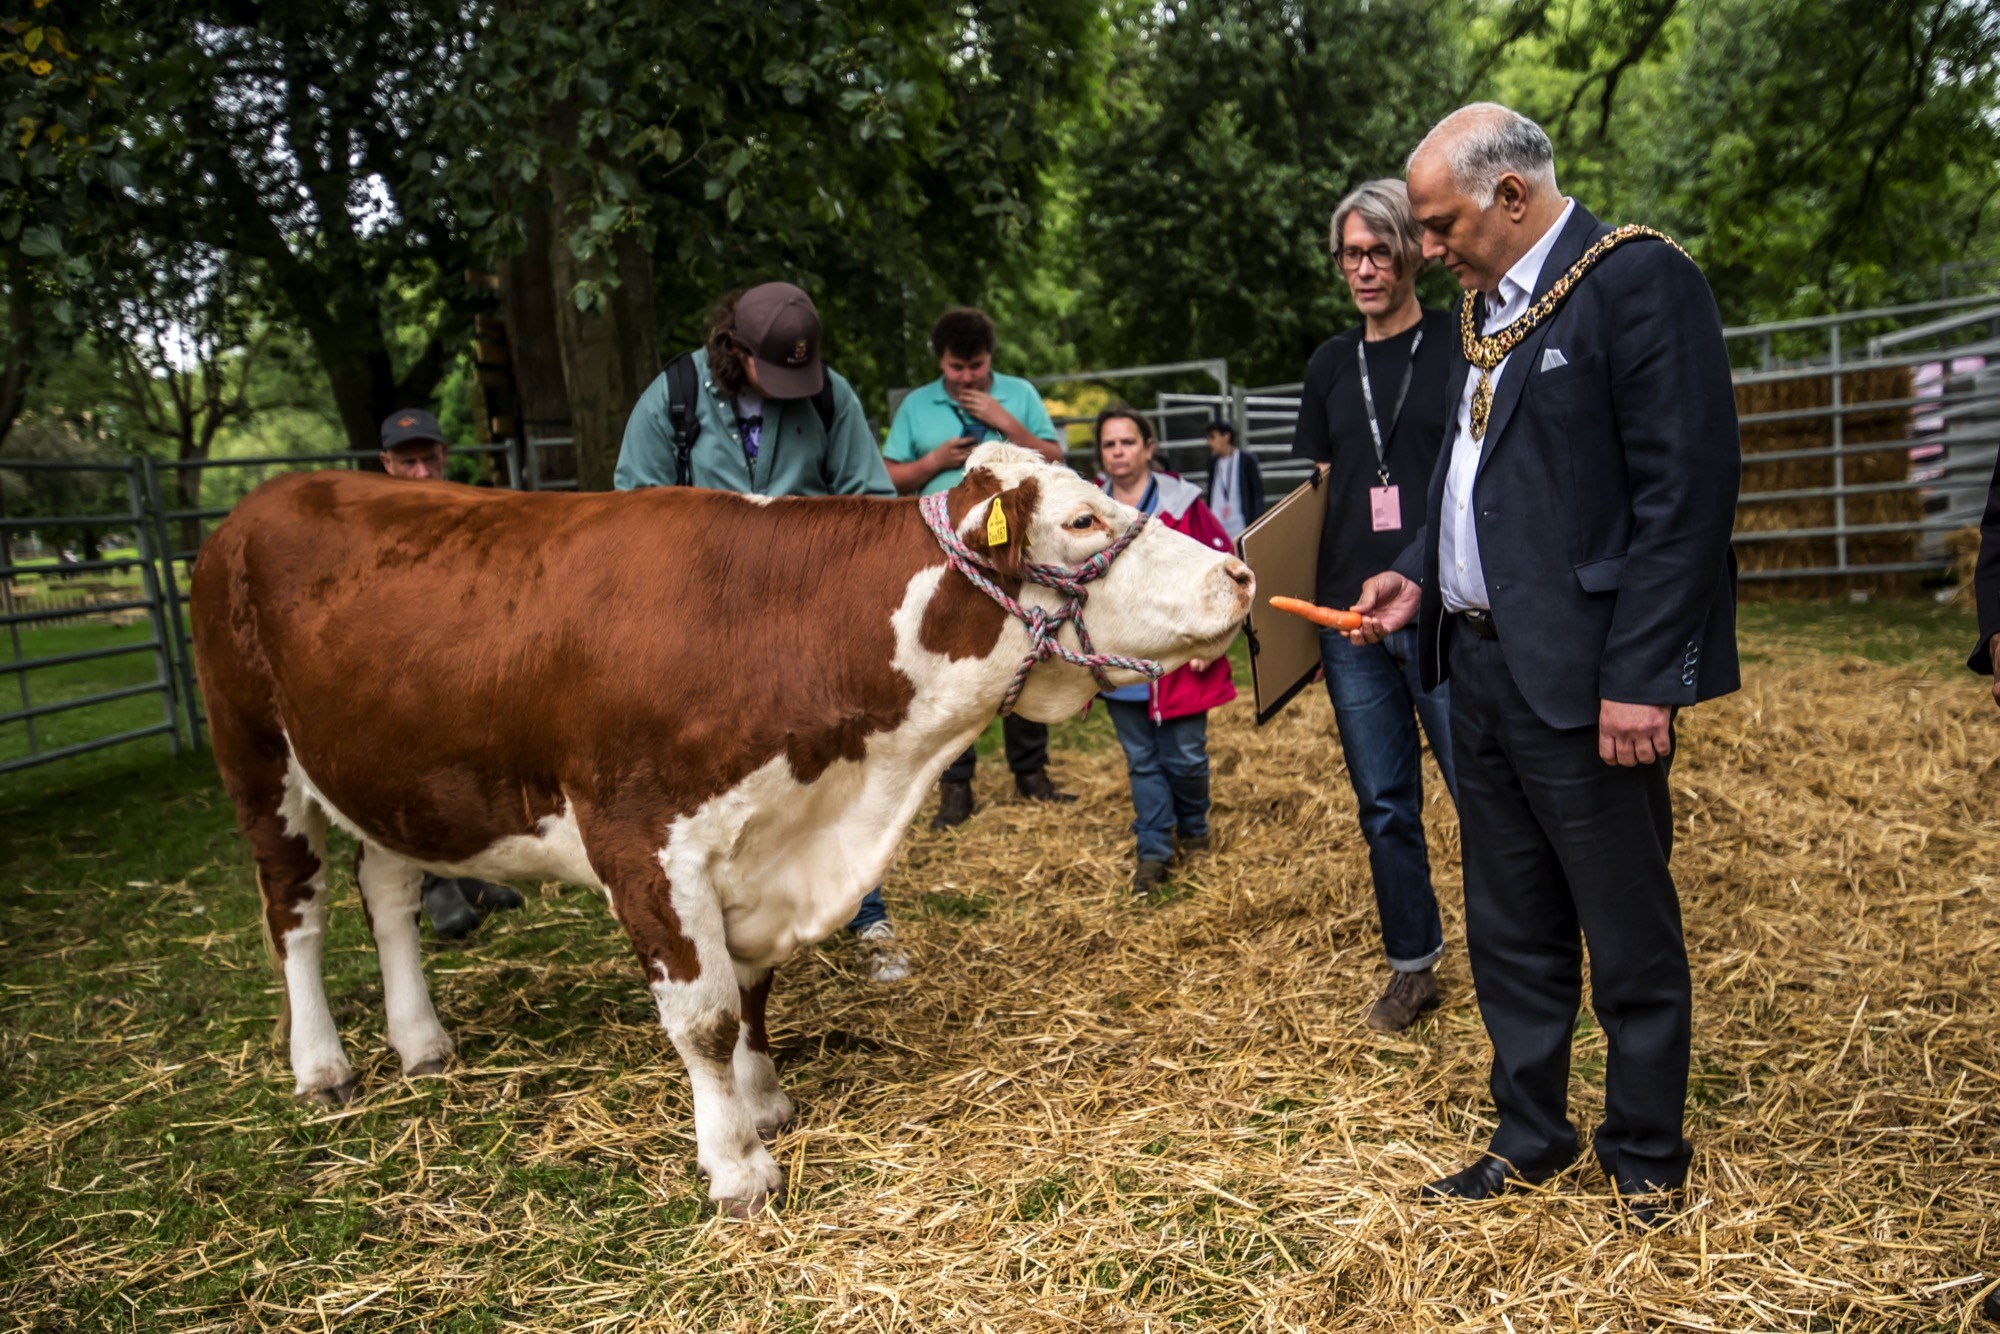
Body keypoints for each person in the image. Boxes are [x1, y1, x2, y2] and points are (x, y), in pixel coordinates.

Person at [1346, 104, 1740, 1228]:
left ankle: (1644, 1147)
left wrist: (1643, 675)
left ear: (1508, 197)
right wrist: (1418, 569)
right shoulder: (1487, 312)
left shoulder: (1635, 281)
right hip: (1474, 666)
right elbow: (1480, 482)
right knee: (1508, 918)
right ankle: (1529, 1131)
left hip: (1586, 676)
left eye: (1436, 225)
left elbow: (1684, 499)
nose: (1424, 249)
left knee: (1622, 920)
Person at [614, 282, 911, 983]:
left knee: (835, 759)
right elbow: (632, 510)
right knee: (711, 771)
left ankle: (865, 915)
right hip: (702, 621)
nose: (790, 389)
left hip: (806, 617)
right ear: (734, 350)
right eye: (773, 373)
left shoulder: (829, 395)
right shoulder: (674, 396)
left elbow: (869, 501)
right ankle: (713, 924)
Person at [1290, 180, 1463, 1034]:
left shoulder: (1459, 347)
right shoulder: (1329, 364)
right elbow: (1317, 490)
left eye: (1378, 251)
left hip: (1443, 605)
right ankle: (1413, 966)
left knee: (1486, 790)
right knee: (1385, 803)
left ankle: (1531, 951)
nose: (1362, 268)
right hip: (1348, 623)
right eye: (1349, 253)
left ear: (1409, 252)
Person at [882, 306, 1078, 829]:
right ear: (940, 363)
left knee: (1023, 656)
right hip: (941, 557)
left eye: (975, 365)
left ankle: (1031, 774)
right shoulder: (916, 407)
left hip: (1015, 556)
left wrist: (1004, 423)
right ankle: (955, 789)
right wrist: (934, 464)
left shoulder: (1018, 394)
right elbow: (890, 475)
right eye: (955, 368)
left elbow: (1056, 458)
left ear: (990, 358)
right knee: (945, 668)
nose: (966, 376)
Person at [377, 407, 527, 940]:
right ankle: (431, 882)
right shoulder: (375, 526)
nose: (420, 474)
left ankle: (468, 873)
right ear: (386, 463)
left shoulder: (463, 511)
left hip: (460, 658)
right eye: (407, 463)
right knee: (410, 766)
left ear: (444, 457)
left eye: (428, 461)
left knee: (465, 765)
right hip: (399, 668)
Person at [1092, 407, 1237, 895]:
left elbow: (1224, 572)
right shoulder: (1088, 511)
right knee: (1142, 760)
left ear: (1148, 448)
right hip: (1120, 659)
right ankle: (1153, 850)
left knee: (1186, 757)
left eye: (1128, 442)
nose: (1118, 452)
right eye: (1109, 444)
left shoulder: (1183, 504)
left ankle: (1194, 826)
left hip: (1178, 658)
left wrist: (1214, 641)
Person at [1203, 419, 1263, 544]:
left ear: (1226, 437)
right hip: (1217, 527)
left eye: (1212, 437)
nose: (1208, 442)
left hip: (1240, 525)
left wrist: (1255, 526)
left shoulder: (1246, 460)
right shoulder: (1213, 462)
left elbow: (1257, 494)